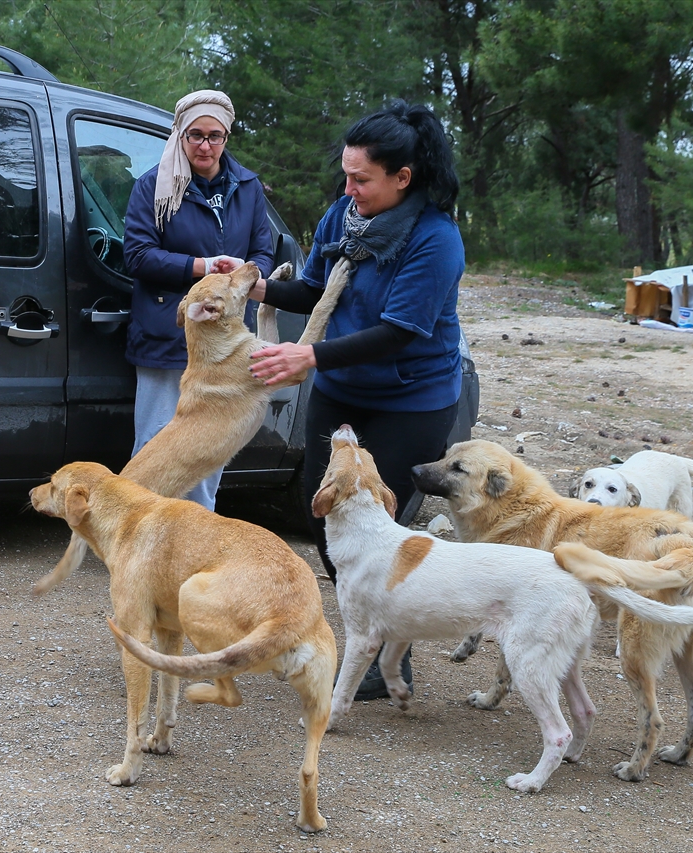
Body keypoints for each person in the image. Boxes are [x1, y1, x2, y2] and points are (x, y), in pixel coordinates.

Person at [248, 100, 465, 699]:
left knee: (379, 532)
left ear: (403, 177)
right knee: (326, 519)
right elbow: (315, 287)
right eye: (345, 175)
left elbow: (399, 331)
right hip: (344, 392)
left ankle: (386, 658)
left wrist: (308, 357)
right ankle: (368, 637)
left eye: (361, 179)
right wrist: (258, 285)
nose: (348, 189)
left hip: (412, 400)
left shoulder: (435, 240)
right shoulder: (343, 218)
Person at [122, 89, 274, 510]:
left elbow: (264, 252)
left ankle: (194, 533)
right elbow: (136, 255)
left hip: (224, 343)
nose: (205, 146)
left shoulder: (247, 186)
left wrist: (244, 274)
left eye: (215, 136)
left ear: (226, 136)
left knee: (209, 447)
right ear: (179, 134)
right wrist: (202, 267)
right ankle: (133, 532)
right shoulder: (153, 185)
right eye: (195, 135)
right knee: (155, 440)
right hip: (165, 334)